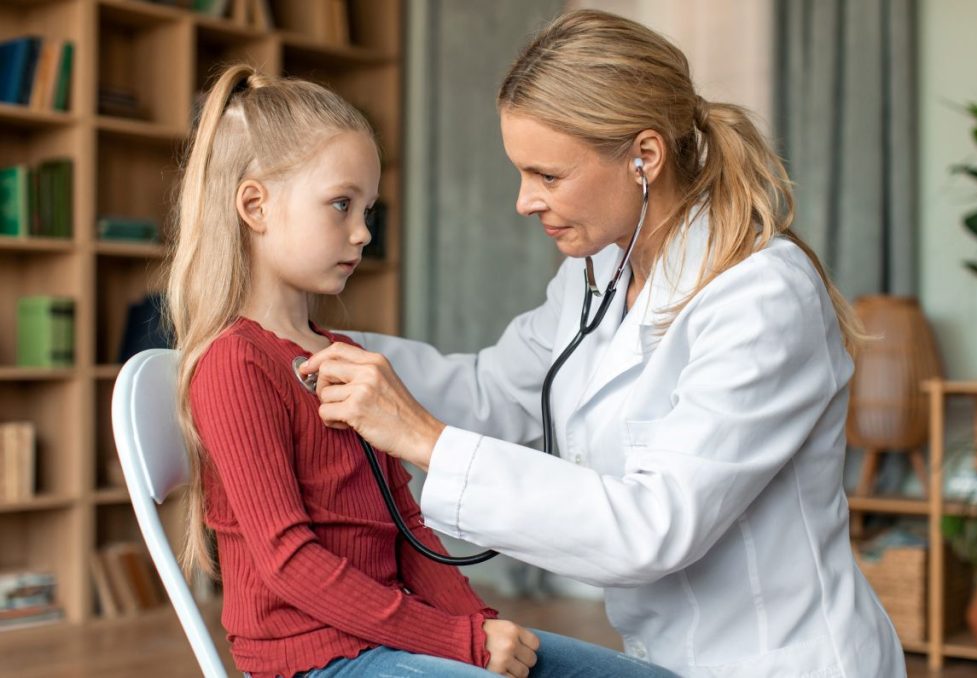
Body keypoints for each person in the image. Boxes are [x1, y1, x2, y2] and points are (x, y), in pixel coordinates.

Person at [300, 9, 907, 678]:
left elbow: (656, 527)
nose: (525, 202)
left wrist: (421, 438)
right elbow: (490, 393)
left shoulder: (762, 296)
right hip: (665, 660)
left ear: (644, 157)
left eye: (549, 176)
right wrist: (310, 343)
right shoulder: (594, 277)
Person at [166, 64, 678, 678]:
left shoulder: (342, 358)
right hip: (315, 661)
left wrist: (482, 629)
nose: (361, 233)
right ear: (255, 205)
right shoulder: (235, 364)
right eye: (340, 205)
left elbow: (406, 526)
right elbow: (287, 563)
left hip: (386, 640)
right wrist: (456, 640)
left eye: (367, 210)